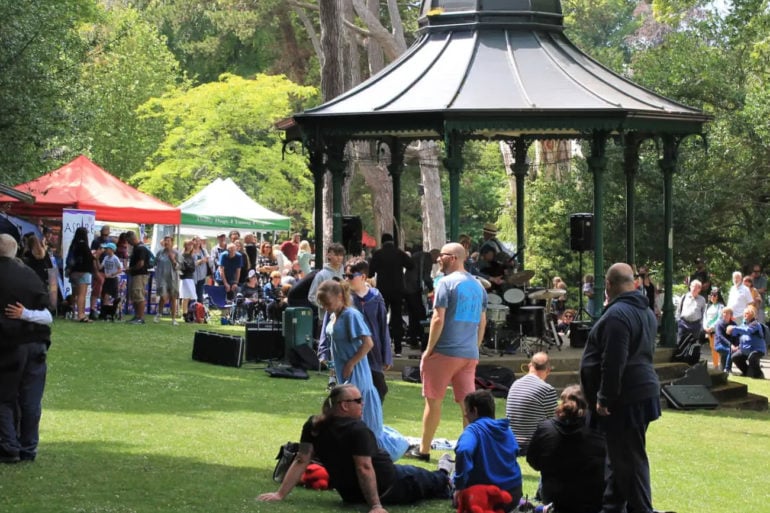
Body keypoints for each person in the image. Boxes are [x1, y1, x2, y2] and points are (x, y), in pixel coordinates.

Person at [257, 384, 452, 510]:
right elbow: (364, 468)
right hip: (391, 485)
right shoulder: (356, 429)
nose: (363, 404)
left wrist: (280, 494)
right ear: (343, 406)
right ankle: (445, 472)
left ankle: (446, 477)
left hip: (353, 494)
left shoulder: (314, 424)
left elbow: (302, 459)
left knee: (424, 481)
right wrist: (375, 505)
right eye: (358, 401)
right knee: (428, 478)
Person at [580, 262, 661, 513]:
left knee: (629, 461)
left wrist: (604, 397)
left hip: (625, 398)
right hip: (640, 392)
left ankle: (642, 510)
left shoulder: (617, 315)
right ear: (633, 283)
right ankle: (612, 507)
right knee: (619, 459)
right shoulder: (644, 312)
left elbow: (614, 360)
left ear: (608, 285)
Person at [316, 280, 407, 461]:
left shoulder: (352, 315)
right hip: (342, 372)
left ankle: (377, 454)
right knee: (342, 413)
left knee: (359, 415)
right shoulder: (335, 316)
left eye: (328, 303)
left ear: (340, 297)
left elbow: (368, 343)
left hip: (357, 373)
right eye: (323, 304)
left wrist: (351, 363)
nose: (326, 308)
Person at [412, 242, 486, 462]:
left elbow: (437, 319)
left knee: (433, 401)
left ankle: (424, 450)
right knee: (468, 406)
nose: (438, 259)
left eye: (441, 256)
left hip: (444, 352)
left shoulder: (445, 283)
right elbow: (483, 322)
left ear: (453, 258)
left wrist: (428, 350)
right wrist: (476, 348)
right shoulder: (478, 286)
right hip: (469, 354)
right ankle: (468, 453)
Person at [0, 233, 53, 463]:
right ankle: (28, 448)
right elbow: (49, 313)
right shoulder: (28, 274)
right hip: (36, 343)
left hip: (10, 344)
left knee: (5, 397)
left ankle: (9, 446)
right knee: (31, 399)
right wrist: (27, 314)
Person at [527, 385, 606, 513]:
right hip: (593, 499)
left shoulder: (545, 428)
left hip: (555, 498)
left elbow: (533, 461)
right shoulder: (598, 429)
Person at [453, 390, 523, 510]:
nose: (465, 415)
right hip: (512, 493)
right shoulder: (506, 430)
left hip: (483, 497)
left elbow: (463, 450)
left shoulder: (473, 430)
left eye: (467, 411)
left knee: (452, 477)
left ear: (474, 411)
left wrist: (459, 486)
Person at [346, 260, 392, 402]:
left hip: (374, 352)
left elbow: (383, 326)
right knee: (351, 391)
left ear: (364, 277)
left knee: (379, 389)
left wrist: (387, 355)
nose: (347, 279)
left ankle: (373, 419)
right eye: (345, 275)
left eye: (351, 276)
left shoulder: (375, 298)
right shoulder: (344, 298)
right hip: (351, 350)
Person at [369, 233, 414, 357]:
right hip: (398, 290)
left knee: (381, 317)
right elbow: (411, 265)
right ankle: (398, 348)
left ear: (382, 242)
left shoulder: (378, 254)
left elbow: (370, 273)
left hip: (382, 289)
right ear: (393, 241)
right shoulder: (399, 253)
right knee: (397, 317)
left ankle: (382, 346)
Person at [505, 352, 558, 455]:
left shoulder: (515, 384)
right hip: (534, 443)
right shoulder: (547, 389)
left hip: (512, 441)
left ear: (530, 366)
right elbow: (555, 421)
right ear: (548, 370)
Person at [65, 226, 96, 323]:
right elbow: (89, 259)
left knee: (74, 294)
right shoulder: (84, 246)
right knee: (82, 294)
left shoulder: (73, 245)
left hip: (73, 272)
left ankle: (73, 313)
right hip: (83, 272)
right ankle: (81, 314)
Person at [726, 305, 766, 378]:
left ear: (752, 314)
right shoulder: (743, 324)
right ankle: (746, 372)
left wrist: (733, 328)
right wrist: (730, 331)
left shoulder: (755, 324)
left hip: (757, 350)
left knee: (752, 358)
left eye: (747, 313)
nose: (744, 315)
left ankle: (759, 375)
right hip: (745, 350)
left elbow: (748, 331)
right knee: (735, 357)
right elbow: (736, 333)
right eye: (744, 313)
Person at [125, 231, 151, 324]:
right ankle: (136, 316)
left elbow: (141, 263)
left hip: (140, 274)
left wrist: (130, 269)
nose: (128, 243)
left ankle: (140, 317)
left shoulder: (141, 248)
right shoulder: (137, 248)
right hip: (136, 274)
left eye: (128, 241)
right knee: (135, 295)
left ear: (132, 238)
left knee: (139, 295)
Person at [154, 235, 181, 325]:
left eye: (168, 241)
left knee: (173, 298)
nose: (166, 242)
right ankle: (159, 314)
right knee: (163, 297)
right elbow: (154, 263)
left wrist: (173, 260)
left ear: (172, 242)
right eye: (165, 241)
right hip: (162, 279)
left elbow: (180, 267)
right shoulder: (160, 253)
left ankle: (173, 319)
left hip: (173, 279)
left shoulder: (176, 253)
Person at [89, 225, 112, 320]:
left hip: (106, 270)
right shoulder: (96, 242)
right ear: (101, 232)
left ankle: (104, 311)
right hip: (98, 270)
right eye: (103, 234)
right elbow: (93, 257)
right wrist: (96, 271)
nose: (105, 236)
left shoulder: (109, 241)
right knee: (96, 291)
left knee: (106, 291)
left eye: (106, 234)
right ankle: (92, 309)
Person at [676, 279, 706, 344]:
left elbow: (703, 313)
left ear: (699, 289)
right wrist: (678, 320)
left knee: (693, 344)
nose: (694, 288)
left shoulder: (702, 299)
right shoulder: (684, 297)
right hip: (683, 324)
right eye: (693, 286)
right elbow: (678, 309)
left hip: (696, 325)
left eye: (696, 287)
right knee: (680, 343)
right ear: (690, 287)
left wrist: (701, 324)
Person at [702, 287, 724, 369]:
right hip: (708, 331)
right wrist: (705, 327)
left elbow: (720, 318)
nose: (713, 297)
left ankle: (720, 365)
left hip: (716, 330)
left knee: (718, 348)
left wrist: (712, 327)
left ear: (718, 296)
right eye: (711, 295)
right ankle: (715, 365)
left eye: (714, 295)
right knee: (712, 348)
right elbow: (705, 318)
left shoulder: (720, 306)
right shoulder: (707, 306)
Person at [98, 242, 123, 311]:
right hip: (107, 279)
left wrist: (112, 274)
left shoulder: (115, 258)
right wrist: (96, 258)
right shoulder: (106, 258)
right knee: (105, 295)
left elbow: (120, 269)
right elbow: (100, 267)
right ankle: (105, 311)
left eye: (107, 249)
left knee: (115, 296)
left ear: (112, 250)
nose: (105, 250)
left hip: (113, 279)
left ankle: (118, 311)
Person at [179, 240, 197, 319]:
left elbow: (192, 267)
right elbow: (183, 267)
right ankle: (184, 313)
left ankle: (186, 312)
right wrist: (189, 268)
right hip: (185, 277)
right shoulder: (182, 255)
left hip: (190, 277)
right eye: (188, 245)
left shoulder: (190, 256)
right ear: (185, 246)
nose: (190, 246)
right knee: (185, 296)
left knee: (189, 296)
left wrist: (190, 267)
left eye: (191, 245)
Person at [713, 307, 736, 372]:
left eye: (727, 313)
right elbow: (720, 336)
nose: (725, 314)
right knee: (730, 351)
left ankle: (723, 370)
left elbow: (737, 336)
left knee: (731, 351)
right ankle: (728, 369)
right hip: (719, 344)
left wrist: (737, 345)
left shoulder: (734, 324)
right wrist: (731, 345)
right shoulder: (719, 324)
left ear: (730, 315)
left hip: (729, 345)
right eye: (724, 313)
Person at [191, 236, 209, 303]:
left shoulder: (203, 250)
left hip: (202, 275)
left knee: (200, 294)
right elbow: (191, 263)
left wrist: (200, 261)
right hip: (193, 276)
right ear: (193, 241)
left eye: (199, 241)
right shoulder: (190, 250)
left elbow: (207, 258)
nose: (198, 242)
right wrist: (201, 261)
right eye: (196, 240)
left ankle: (200, 309)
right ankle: (192, 309)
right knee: (193, 294)